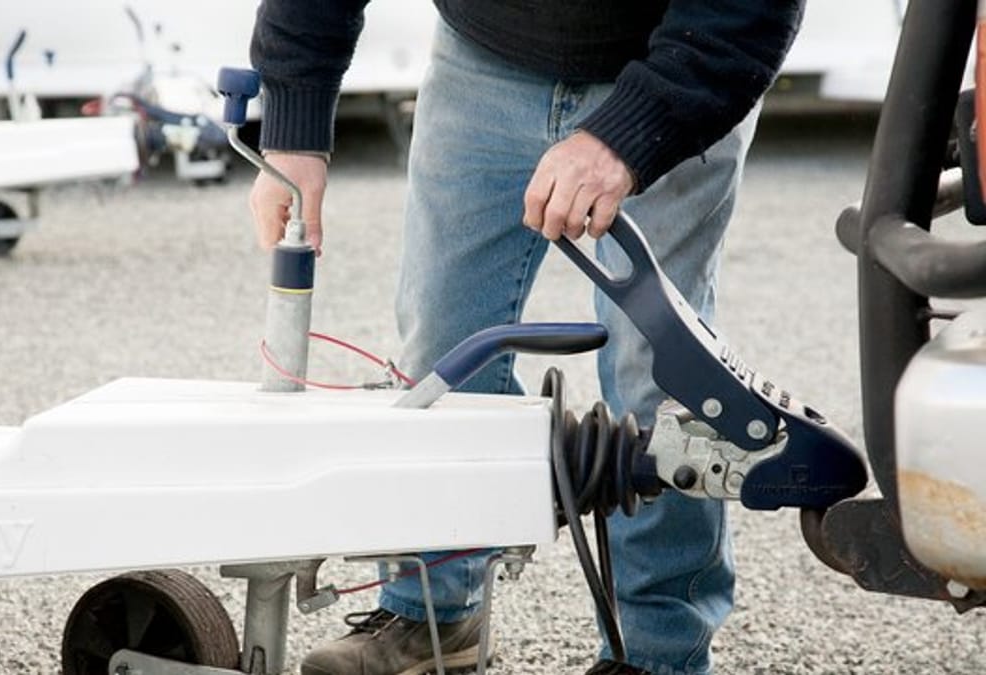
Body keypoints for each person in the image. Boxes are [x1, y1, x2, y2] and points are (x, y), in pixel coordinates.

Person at [246, 2, 803, 674]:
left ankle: (658, 653)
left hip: (674, 56)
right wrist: (294, 126)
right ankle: (432, 611)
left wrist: (631, 134)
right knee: (440, 357)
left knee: (661, 381)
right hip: (483, 61)